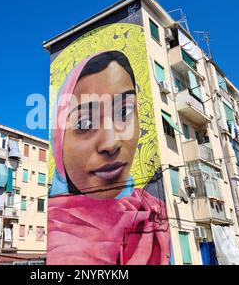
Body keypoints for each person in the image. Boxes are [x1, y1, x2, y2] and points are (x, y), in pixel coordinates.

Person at [47, 50, 170, 265]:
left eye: (124, 113)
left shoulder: (152, 208)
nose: (110, 143)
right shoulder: (61, 243)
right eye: (85, 123)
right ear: (59, 142)